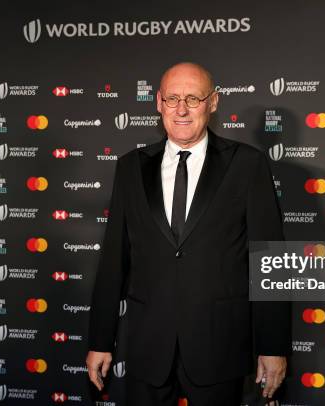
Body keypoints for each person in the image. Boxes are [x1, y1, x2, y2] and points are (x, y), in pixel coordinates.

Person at [86, 62, 291, 405]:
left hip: (219, 347)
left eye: (193, 99)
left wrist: (273, 347)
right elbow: (112, 261)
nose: (181, 109)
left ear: (213, 102)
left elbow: (269, 260)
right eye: (173, 98)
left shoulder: (246, 165)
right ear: (158, 102)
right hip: (148, 349)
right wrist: (100, 340)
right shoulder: (130, 168)